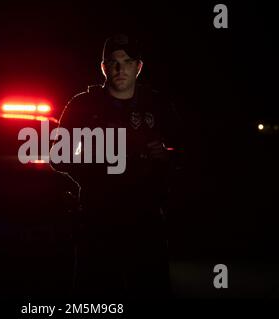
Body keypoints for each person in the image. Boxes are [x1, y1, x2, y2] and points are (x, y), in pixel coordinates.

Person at [51, 33, 184, 299]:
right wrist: (90, 157)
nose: (119, 68)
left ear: (139, 66)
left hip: (146, 219)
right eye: (112, 62)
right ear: (103, 67)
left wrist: (166, 156)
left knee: (150, 289)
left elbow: (187, 152)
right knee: (95, 293)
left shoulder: (157, 105)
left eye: (127, 61)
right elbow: (57, 156)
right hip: (97, 218)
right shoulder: (83, 105)